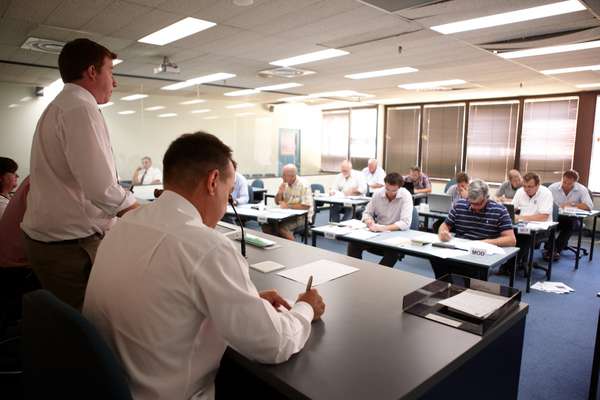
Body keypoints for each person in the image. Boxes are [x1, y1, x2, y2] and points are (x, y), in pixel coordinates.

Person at [83, 132, 325, 400]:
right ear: (212, 181)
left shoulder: (122, 226)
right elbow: (273, 344)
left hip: (113, 386)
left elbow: (160, 299)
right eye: (229, 193)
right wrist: (305, 308)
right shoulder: (207, 246)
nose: (226, 204)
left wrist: (246, 302)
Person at [21, 38, 138, 310]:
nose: (115, 82)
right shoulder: (79, 108)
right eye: (111, 71)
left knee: (74, 327)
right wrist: (140, 211)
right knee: (89, 326)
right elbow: (102, 189)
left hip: (56, 243)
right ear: (92, 71)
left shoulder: (64, 105)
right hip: (69, 249)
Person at [433, 180, 516, 278]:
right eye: (471, 203)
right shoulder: (459, 205)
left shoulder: (499, 210)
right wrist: (443, 232)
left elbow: (511, 240)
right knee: (436, 259)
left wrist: (484, 242)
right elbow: (445, 225)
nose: (474, 207)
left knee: (471, 273)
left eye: (478, 204)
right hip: (460, 249)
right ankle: (446, 286)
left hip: (482, 253)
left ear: (487, 198)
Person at [347, 173, 413, 267]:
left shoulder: (405, 195)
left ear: (399, 187)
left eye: (394, 190)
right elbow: (367, 212)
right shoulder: (378, 193)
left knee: (393, 252)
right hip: (377, 234)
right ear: (385, 184)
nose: (390, 192)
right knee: (353, 244)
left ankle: (378, 275)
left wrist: (383, 228)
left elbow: (405, 223)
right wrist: (368, 220)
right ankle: (354, 270)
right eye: (387, 189)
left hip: (396, 235)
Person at [545, 169, 593, 261]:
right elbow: (543, 202)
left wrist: (573, 204)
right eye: (564, 182)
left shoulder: (581, 189)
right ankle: (551, 249)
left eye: (569, 183)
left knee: (570, 224)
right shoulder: (552, 188)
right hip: (555, 216)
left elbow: (589, 206)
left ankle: (555, 250)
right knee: (549, 222)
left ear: (575, 182)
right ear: (562, 179)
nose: (566, 185)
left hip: (572, 218)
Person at [511, 172, 554, 268]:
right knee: (508, 235)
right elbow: (512, 208)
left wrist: (521, 217)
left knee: (524, 238)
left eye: (530, 186)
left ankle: (510, 267)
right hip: (522, 226)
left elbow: (543, 217)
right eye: (525, 186)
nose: (527, 189)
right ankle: (513, 264)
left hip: (541, 229)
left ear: (538, 185)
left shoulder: (546, 193)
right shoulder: (520, 191)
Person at [262, 164, 313, 241]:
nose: (282, 177)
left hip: (302, 217)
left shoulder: (303, 185)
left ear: (292, 176)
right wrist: (280, 192)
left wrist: (288, 206)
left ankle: (295, 249)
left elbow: (306, 206)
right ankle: (280, 245)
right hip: (286, 215)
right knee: (266, 226)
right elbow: (277, 202)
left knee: (283, 228)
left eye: (284, 175)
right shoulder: (285, 183)